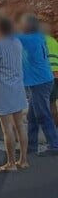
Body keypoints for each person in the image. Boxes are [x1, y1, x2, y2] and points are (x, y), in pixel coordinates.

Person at [0, 17, 29, 171]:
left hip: (3, 91)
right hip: (18, 88)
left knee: (7, 129)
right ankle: (23, 160)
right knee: (20, 125)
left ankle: (10, 163)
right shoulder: (17, 43)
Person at [17, 14, 58, 156]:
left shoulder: (28, 39)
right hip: (42, 80)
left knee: (43, 115)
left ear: (28, 26)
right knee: (32, 117)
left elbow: (7, 37)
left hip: (39, 82)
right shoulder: (38, 37)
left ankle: (55, 145)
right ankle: (31, 146)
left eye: (22, 24)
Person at [41, 22, 58, 125]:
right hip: (56, 74)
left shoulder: (41, 41)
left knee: (50, 103)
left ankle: (53, 128)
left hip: (48, 75)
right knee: (52, 102)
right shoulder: (54, 41)